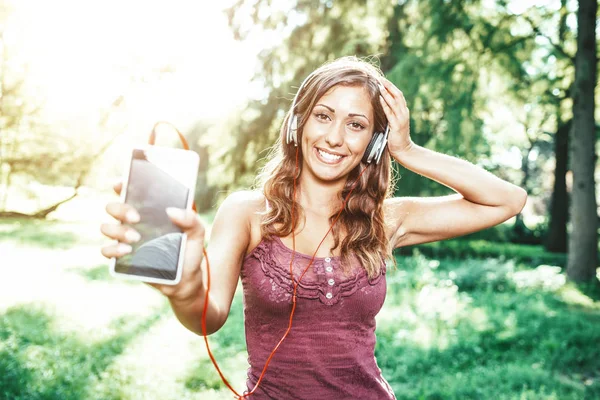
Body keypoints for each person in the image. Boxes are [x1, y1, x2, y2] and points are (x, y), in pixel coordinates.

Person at [100, 56, 527, 399]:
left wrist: (407, 149)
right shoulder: (247, 213)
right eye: (323, 116)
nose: (336, 138)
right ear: (297, 123)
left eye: (356, 125)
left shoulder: (387, 219)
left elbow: (508, 200)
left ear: (373, 142)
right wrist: (183, 286)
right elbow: (208, 318)